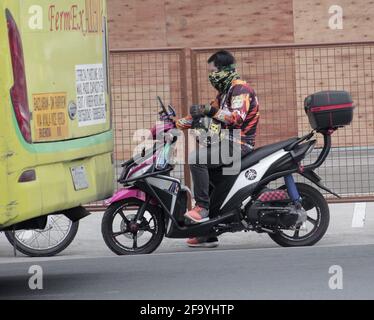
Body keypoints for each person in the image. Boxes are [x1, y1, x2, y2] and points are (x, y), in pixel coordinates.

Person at [176, 50, 260, 248]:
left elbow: (236, 118)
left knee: (197, 159)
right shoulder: (223, 94)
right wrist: (174, 124)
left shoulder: (240, 90)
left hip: (239, 143)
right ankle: (208, 232)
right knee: (213, 183)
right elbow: (199, 117)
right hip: (226, 141)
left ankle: (202, 208)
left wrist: (209, 110)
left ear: (224, 70)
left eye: (213, 71)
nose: (211, 76)